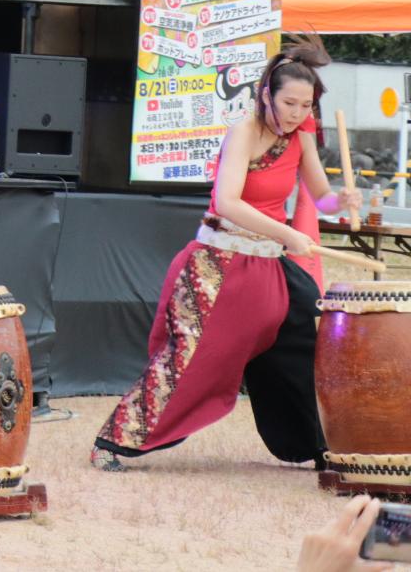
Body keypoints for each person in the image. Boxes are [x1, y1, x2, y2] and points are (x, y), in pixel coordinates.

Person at [92, 40, 342, 471]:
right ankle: (114, 443)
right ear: (266, 93)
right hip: (217, 268)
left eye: (306, 105)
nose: (298, 113)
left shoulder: (302, 139)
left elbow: (321, 196)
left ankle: (318, 446)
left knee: (301, 348)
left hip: (269, 272)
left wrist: (345, 201)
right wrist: (287, 233)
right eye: (289, 102)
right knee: (192, 361)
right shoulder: (243, 132)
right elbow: (227, 202)